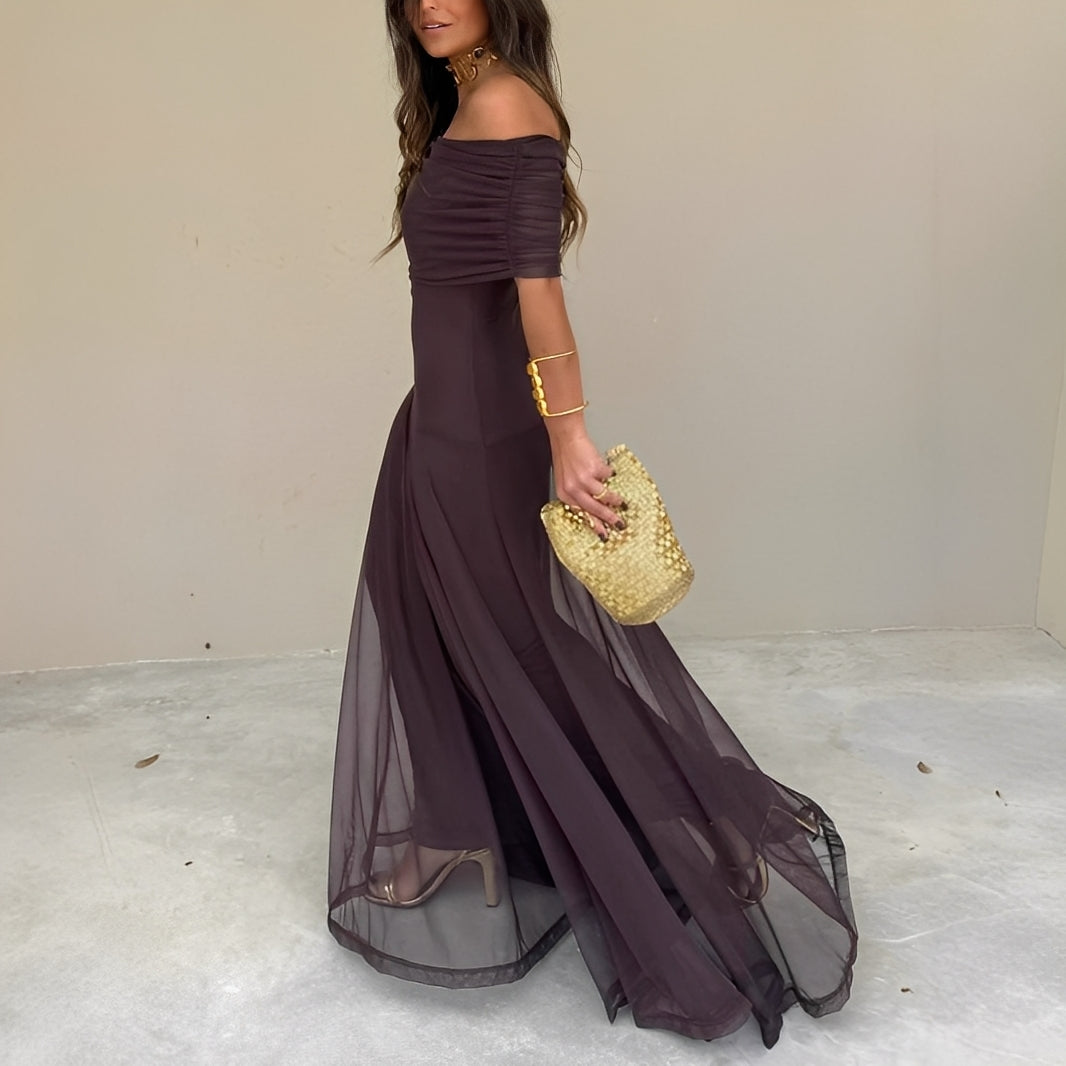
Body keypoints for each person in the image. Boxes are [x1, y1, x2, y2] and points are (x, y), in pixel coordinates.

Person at [328, 0, 858, 1048]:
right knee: (423, 618)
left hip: (482, 433)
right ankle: (459, 828)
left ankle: (704, 823)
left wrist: (568, 434)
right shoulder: (464, 102)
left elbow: (539, 288)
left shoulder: (507, 104)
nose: (429, 2)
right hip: (436, 420)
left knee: (523, 645)